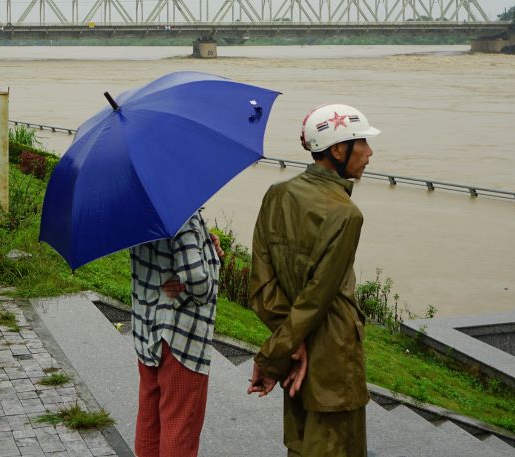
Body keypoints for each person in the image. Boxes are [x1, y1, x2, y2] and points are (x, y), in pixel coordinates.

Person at [248, 103, 380, 457]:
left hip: (297, 351)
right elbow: (317, 298)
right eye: (362, 143)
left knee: (303, 445)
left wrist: (290, 347)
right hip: (334, 354)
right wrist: (274, 356)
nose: (370, 153)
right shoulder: (346, 214)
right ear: (338, 150)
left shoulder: (277, 194)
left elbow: (261, 287)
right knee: (338, 447)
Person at [130, 211, 223, 457]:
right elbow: (198, 282)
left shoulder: (140, 213)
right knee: (180, 426)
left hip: (146, 329)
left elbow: (165, 260)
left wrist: (206, 247)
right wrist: (210, 269)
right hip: (180, 337)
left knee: (150, 419)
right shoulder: (181, 213)